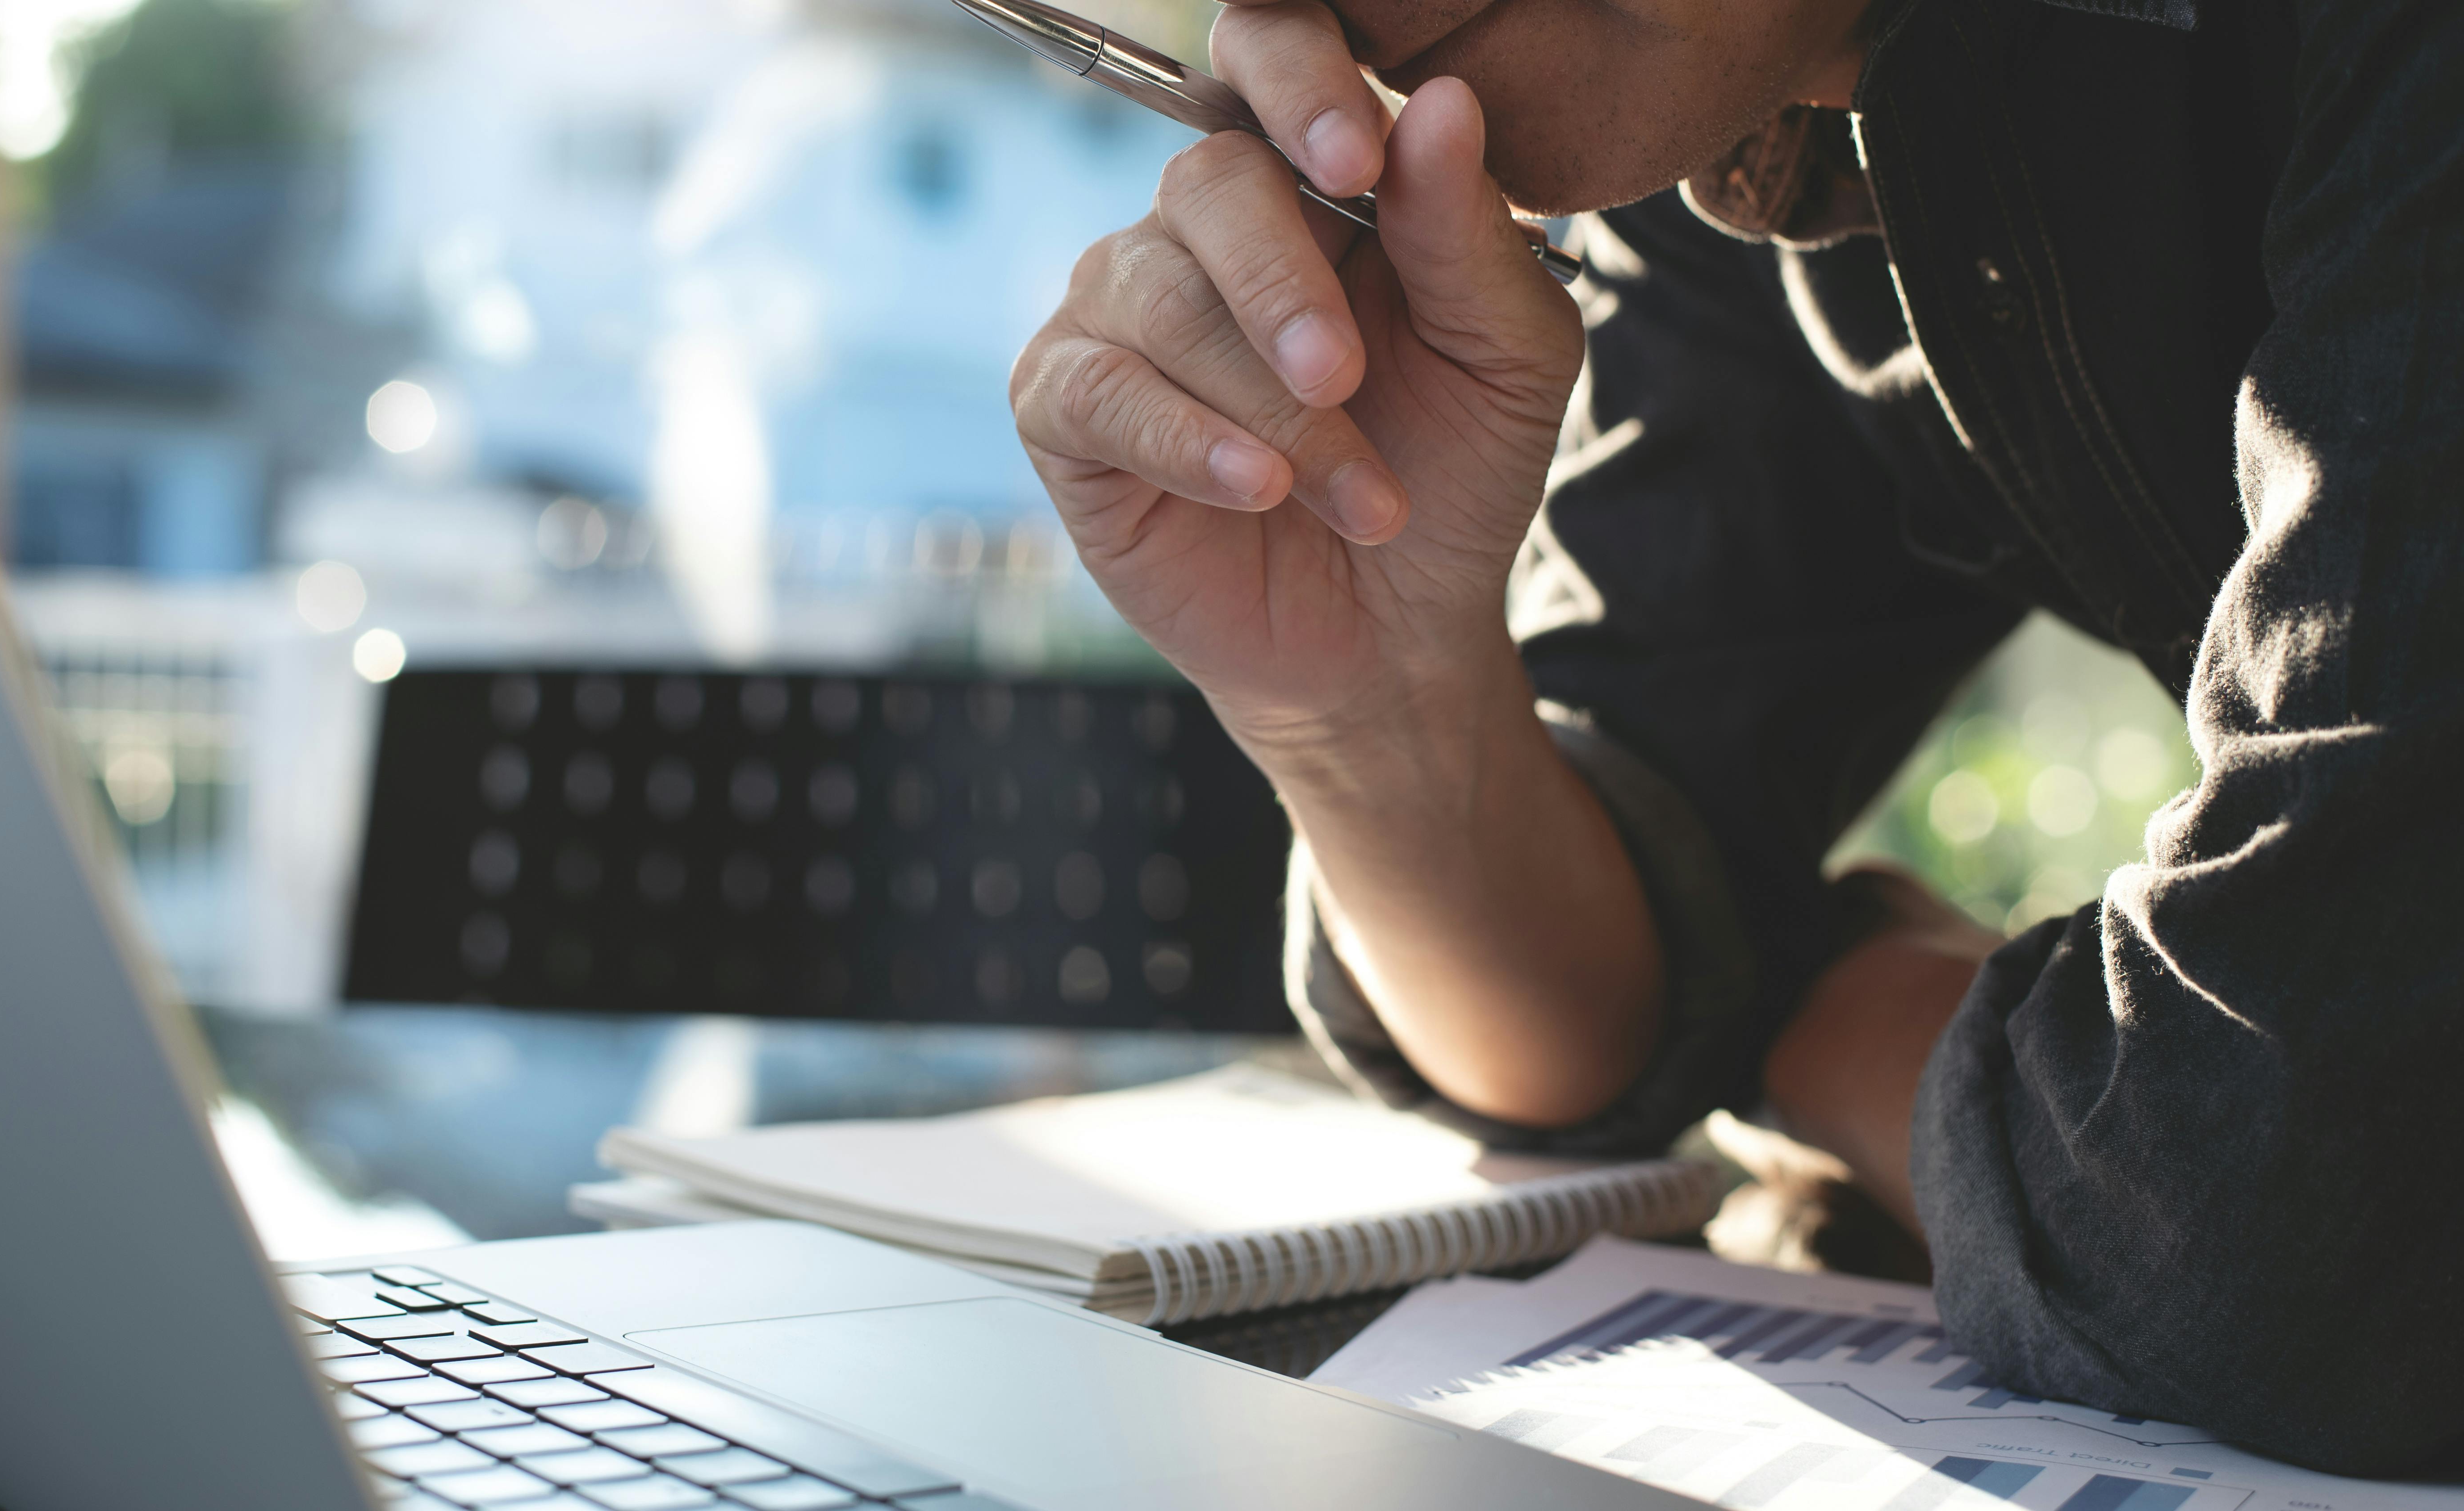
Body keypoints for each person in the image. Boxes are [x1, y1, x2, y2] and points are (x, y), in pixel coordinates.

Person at [1008, 0, 2461, 1477]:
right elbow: (1579, 1021)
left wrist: (1827, 1011)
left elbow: (2306, 1215)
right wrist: (1361, 700)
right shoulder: (1745, 134)